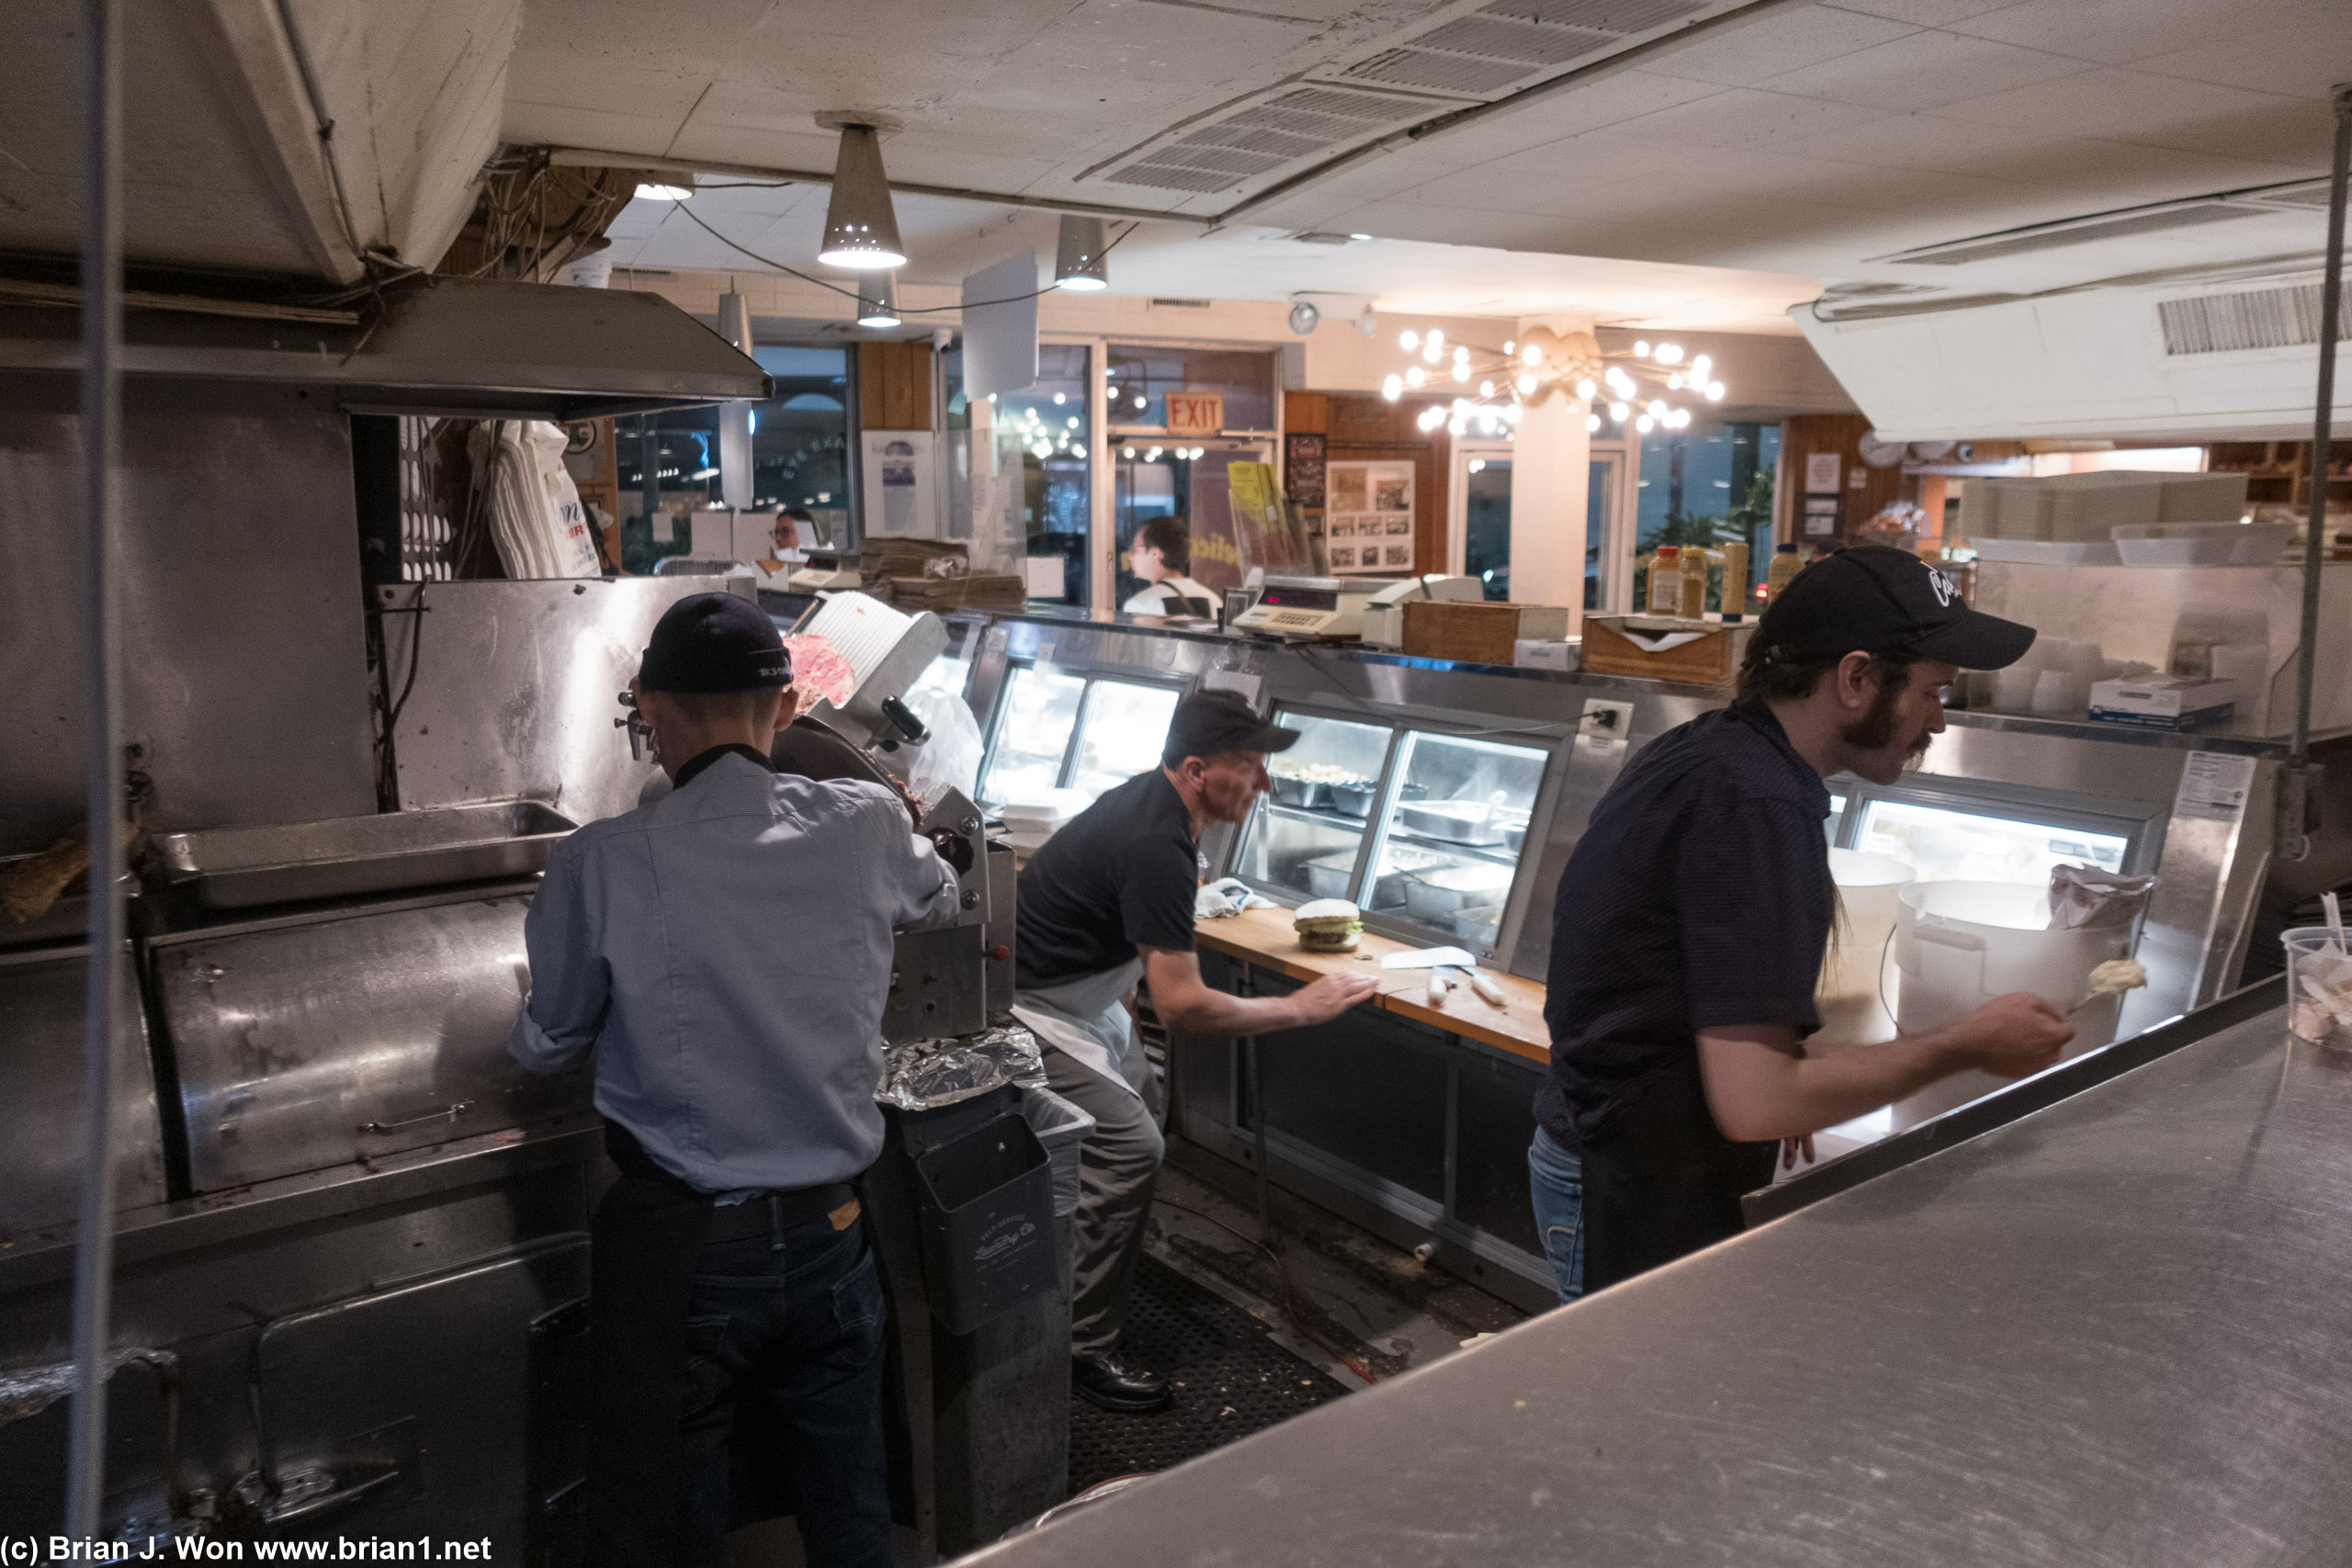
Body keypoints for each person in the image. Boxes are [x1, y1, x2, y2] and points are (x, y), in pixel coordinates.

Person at [507, 592, 961, 1568]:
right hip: (834, 1235)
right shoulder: (868, 823)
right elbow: (941, 894)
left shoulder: (601, 861)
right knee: (848, 1495)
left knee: (673, 1512)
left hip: (687, 1247)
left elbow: (547, 1043)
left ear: (650, 706)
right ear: (789, 709)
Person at [1531, 546, 2075, 1300]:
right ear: (1855, 679)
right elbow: (1757, 1102)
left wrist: (1792, 1064)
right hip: (1627, 1177)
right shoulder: (1760, 805)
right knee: (1629, 1413)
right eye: (1931, 690)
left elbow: (1687, 984)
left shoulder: (1715, 749)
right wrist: (1967, 1043)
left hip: (1613, 1144)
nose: (1939, 721)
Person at [1013, 690, 1378, 1411]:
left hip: (1075, 996)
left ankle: (1081, 1275)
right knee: (1130, 1148)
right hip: (1031, 1010)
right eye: (1250, 766)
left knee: (1141, 1105)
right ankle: (1075, 1352)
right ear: (1196, 768)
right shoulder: (1158, 845)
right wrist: (1297, 1007)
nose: (1264, 783)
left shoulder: (1157, 810)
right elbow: (1180, 1006)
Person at [1121, 516, 1216, 617]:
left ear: (1155, 553)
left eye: (1134, 550)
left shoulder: (1140, 606)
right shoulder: (1213, 600)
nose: (1131, 557)